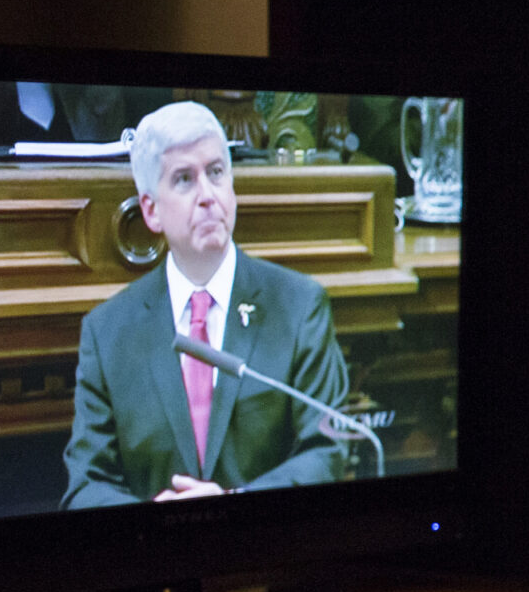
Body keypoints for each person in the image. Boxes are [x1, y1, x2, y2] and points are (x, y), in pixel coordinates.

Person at [61, 100, 352, 508]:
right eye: (184, 179)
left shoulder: (299, 307)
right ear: (151, 210)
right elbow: (85, 488)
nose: (207, 196)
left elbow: (327, 453)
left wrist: (235, 501)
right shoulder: (108, 332)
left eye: (216, 173)